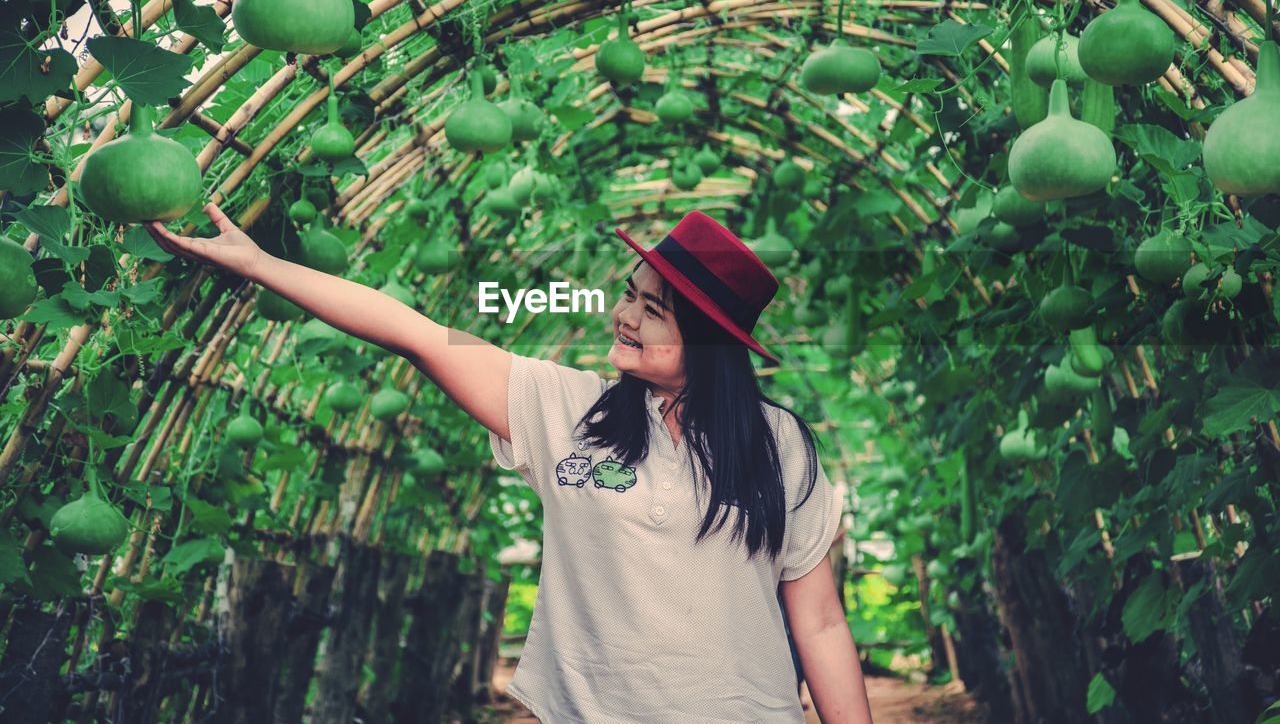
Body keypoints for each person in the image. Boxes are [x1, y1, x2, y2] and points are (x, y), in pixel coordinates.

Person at [146, 205, 875, 723]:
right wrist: (262, 264)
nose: (625, 314)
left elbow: (818, 625)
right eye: (628, 292)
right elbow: (419, 335)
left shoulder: (780, 445)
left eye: (654, 310)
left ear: (710, 344)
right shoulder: (567, 410)